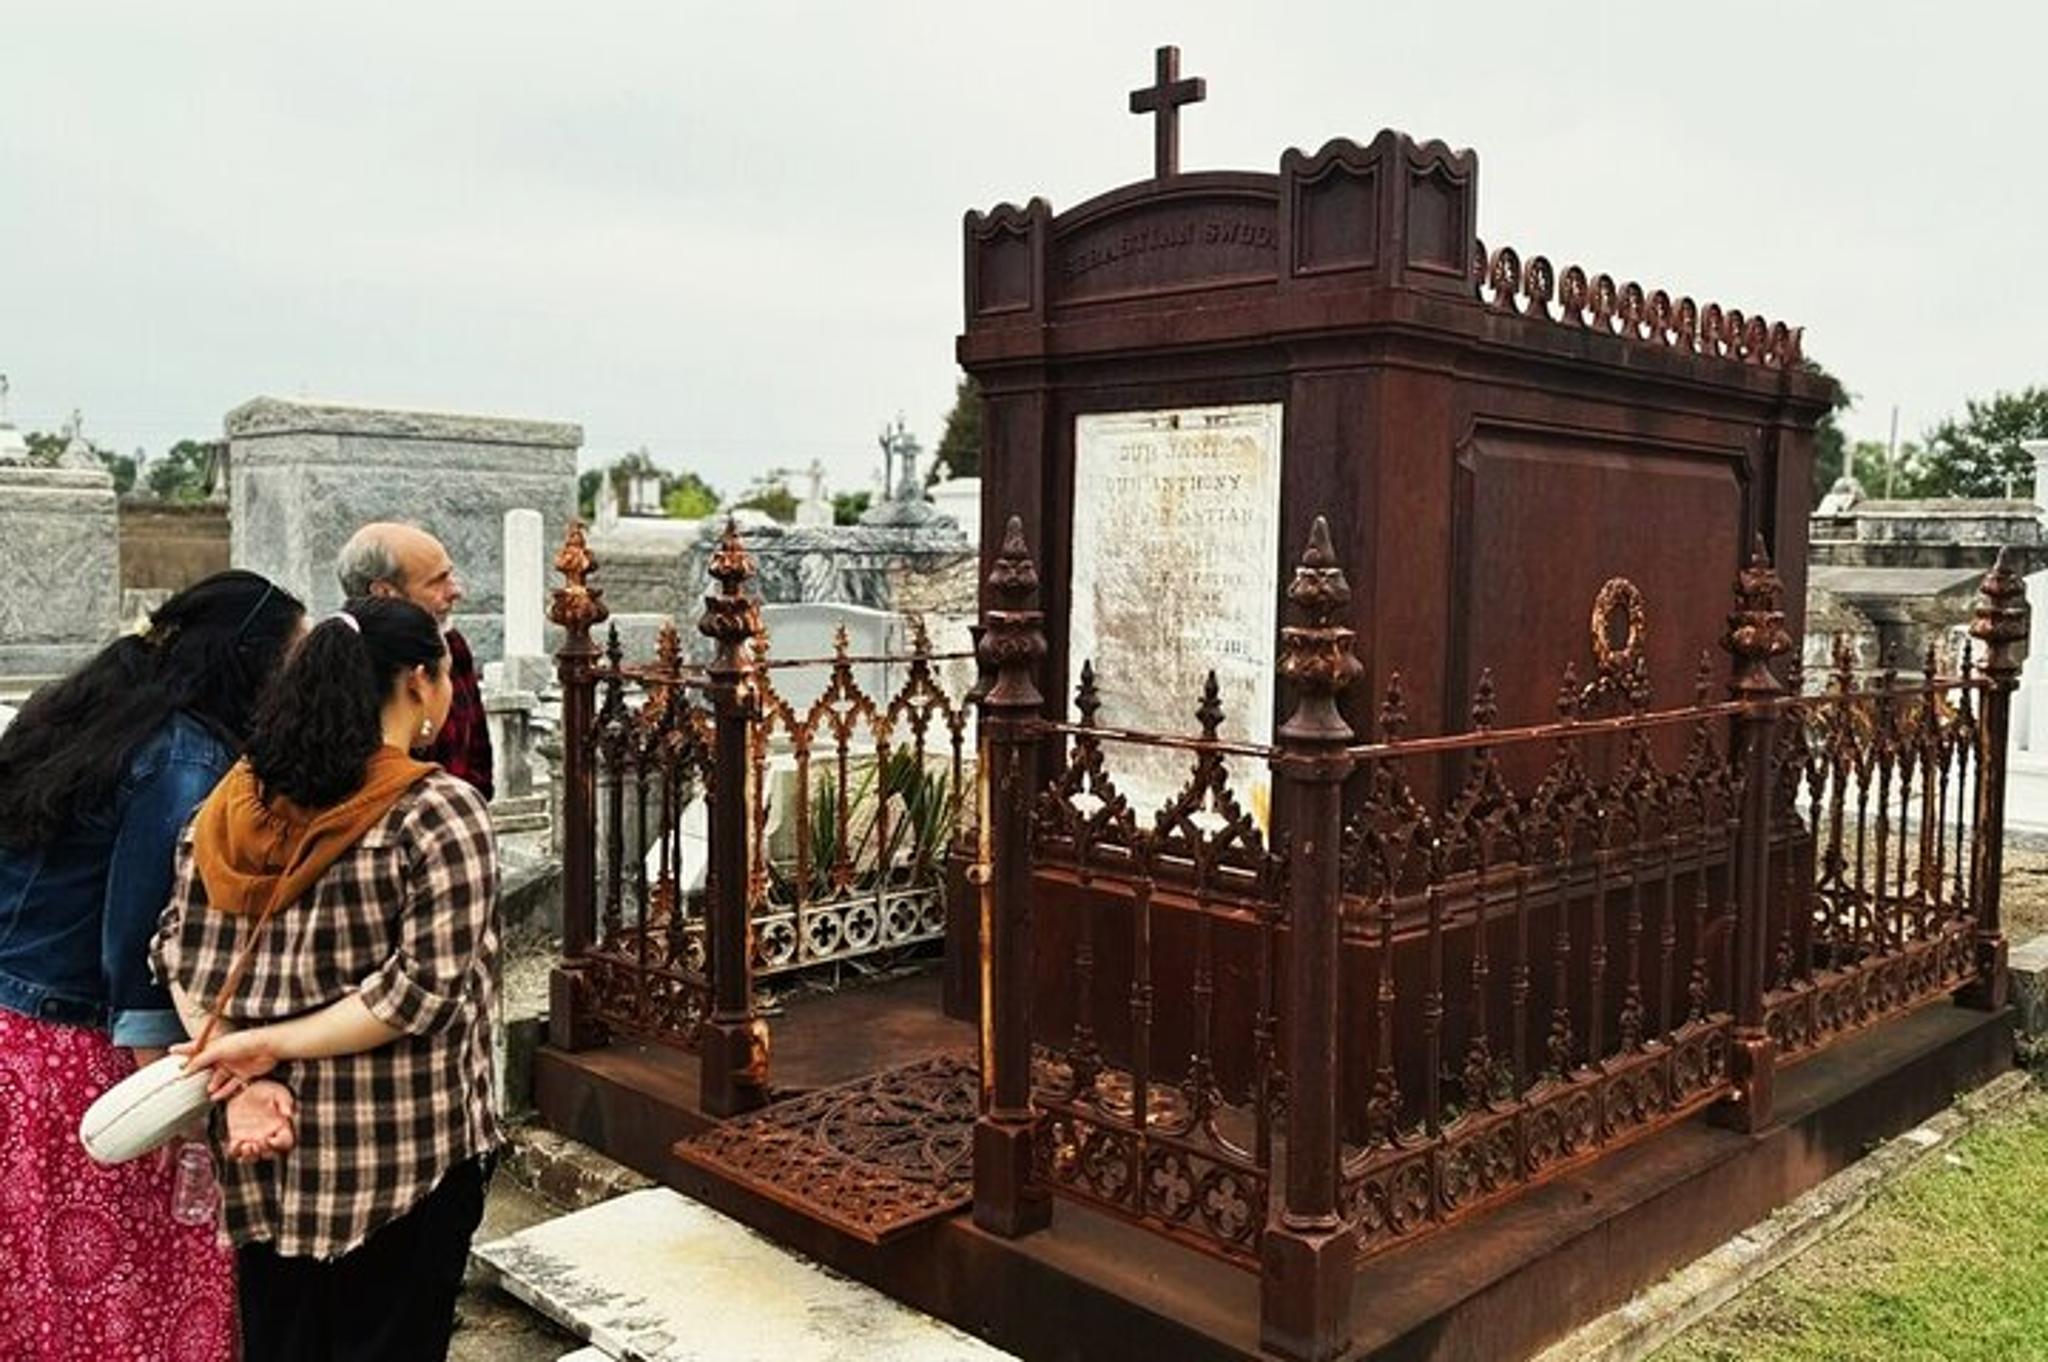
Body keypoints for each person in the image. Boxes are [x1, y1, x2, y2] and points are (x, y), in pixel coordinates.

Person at [157, 596, 501, 1362]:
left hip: (261, 1146)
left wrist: (243, 1072)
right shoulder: (436, 813)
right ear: (419, 681)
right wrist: (261, 1049)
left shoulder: (231, 807)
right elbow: (420, 993)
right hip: (397, 1155)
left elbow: (177, 954)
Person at [0, 570, 306, 1362]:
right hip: (84, 1055)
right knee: (131, 1289)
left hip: (18, 1038)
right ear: (253, 662)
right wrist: (179, 1111)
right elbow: (141, 947)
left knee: (42, 1287)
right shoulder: (186, 761)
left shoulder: (84, 712)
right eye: (294, 659)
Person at [336, 522, 494, 799]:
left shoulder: (451, 644)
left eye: (451, 575)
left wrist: (467, 808)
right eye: (438, 581)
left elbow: (477, 755)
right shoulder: (340, 659)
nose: (456, 591)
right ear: (384, 592)